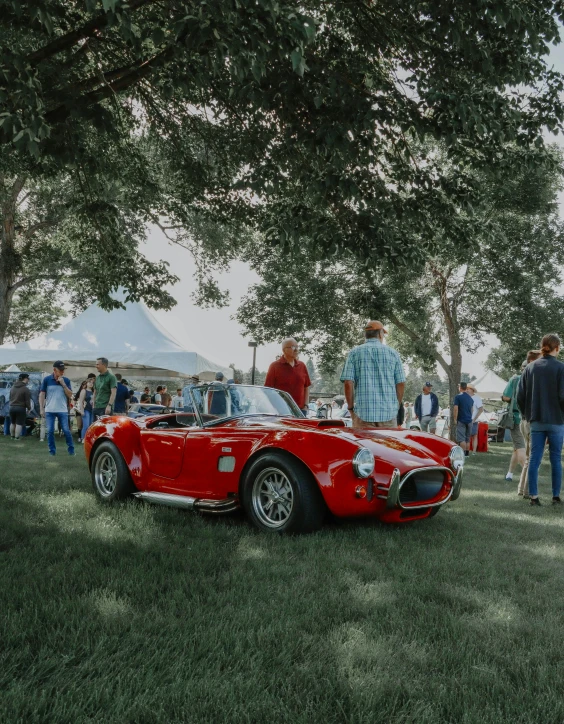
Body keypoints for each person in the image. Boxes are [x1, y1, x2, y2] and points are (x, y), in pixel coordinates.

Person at [517, 334, 564, 506]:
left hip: (536, 420)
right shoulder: (561, 368)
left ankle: (534, 497)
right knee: (555, 459)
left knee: (534, 459)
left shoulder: (530, 368)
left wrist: (527, 415)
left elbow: (520, 396)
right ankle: (555, 496)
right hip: (556, 420)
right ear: (557, 347)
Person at [340, 320, 405, 429]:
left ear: (365, 335)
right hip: (388, 414)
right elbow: (401, 383)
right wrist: (396, 406)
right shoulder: (393, 353)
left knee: (364, 446)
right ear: (380, 334)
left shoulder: (354, 353)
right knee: (386, 446)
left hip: (363, 414)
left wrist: (351, 409)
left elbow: (348, 383)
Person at [516, 350, 541, 498]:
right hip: (532, 421)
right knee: (534, 458)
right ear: (532, 360)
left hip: (524, 419)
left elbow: (519, 399)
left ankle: (522, 489)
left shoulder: (523, 376)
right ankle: (529, 492)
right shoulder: (530, 377)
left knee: (529, 457)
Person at [265, 338, 311, 415]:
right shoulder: (274, 366)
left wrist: (305, 406)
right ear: (284, 350)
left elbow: (306, 387)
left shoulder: (302, 365)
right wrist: (275, 408)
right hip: (281, 412)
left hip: (300, 411)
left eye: (297, 347)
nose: (296, 350)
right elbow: (268, 390)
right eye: (293, 347)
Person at [39, 361, 75, 456]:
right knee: (50, 430)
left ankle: (71, 450)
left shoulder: (66, 380)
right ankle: (52, 451)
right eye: (61, 370)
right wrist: (41, 408)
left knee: (66, 430)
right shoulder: (47, 379)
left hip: (62, 410)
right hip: (49, 410)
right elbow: (42, 394)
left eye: (63, 370)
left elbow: (70, 395)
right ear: (54, 370)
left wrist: (63, 384)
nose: (63, 372)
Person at [501, 365, 527, 482]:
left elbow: (506, 396)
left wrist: (513, 399)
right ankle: (509, 474)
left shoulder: (515, 379)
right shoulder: (537, 379)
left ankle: (528, 477)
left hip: (516, 418)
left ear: (522, 368)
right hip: (531, 419)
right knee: (517, 448)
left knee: (520, 448)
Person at [9, 372, 32, 440]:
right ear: (25, 379)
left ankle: (12, 436)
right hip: (20, 408)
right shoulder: (25, 389)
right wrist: (29, 408)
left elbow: (10, 398)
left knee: (12, 422)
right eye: (28, 378)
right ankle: (17, 437)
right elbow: (27, 401)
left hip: (12, 407)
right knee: (19, 423)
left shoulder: (12, 387)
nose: (28, 380)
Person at [452, 382, 473, 456]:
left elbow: (455, 409)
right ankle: (467, 453)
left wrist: (455, 419)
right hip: (469, 420)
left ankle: (462, 454)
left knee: (461, 438)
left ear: (460, 387)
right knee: (467, 438)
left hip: (461, 419)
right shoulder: (470, 398)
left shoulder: (458, 397)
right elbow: (472, 410)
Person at [467, 383, 484, 454]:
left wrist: (474, 419)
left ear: (472, 390)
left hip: (473, 420)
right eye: (466, 388)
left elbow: (481, 409)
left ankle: (474, 451)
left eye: (468, 388)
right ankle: (466, 451)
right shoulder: (465, 397)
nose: (467, 390)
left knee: (474, 436)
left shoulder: (477, 398)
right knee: (466, 436)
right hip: (466, 419)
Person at [78, 377, 95, 442]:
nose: (91, 384)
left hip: (92, 410)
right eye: (89, 382)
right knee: (86, 425)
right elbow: (81, 401)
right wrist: (82, 410)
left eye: (92, 383)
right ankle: (83, 438)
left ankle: (88, 438)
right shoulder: (84, 391)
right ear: (86, 383)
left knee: (91, 425)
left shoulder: (93, 391)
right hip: (86, 410)